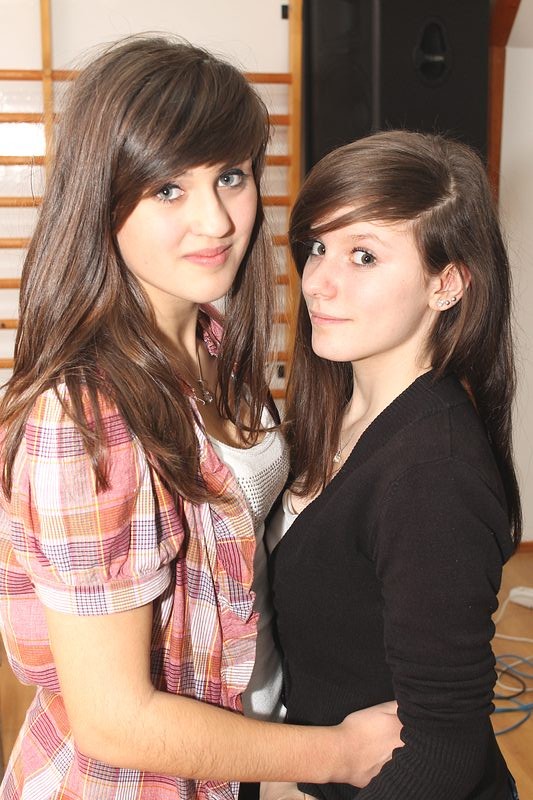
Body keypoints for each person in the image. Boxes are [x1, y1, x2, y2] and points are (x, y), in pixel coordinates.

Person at [0, 35, 403, 800]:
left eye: (229, 176)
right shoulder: (84, 417)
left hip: (242, 749)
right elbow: (114, 721)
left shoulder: (212, 340)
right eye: (167, 189)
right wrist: (337, 755)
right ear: (101, 197)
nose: (215, 221)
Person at [266, 130, 521, 799]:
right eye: (317, 247)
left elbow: (442, 751)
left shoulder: (432, 473)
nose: (318, 281)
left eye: (364, 255)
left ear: (446, 284)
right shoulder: (334, 412)